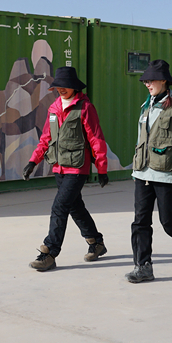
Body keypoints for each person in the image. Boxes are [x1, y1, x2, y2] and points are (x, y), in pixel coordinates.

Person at [23, 66, 109, 271]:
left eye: (65, 86)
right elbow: (46, 138)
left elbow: (96, 138)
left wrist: (102, 168)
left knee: (59, 207)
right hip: (58, 167)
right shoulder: (54, 108)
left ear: (74, 87)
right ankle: (96, 242)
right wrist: (33, 161)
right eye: (58, 86)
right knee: (75, 207)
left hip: (77, 168)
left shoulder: (85, 108)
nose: (61, 89)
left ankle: (50, 253)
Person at [125, 59, 172, 283]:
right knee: (140, 222)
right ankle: (143, 266)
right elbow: (141, 139)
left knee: (169, 221)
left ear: (163, 81)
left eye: (151, 80)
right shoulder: (146, 105)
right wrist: (136, 168)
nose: (147, 84)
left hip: (166, 173)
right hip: (143, 173)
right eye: (145, 81)